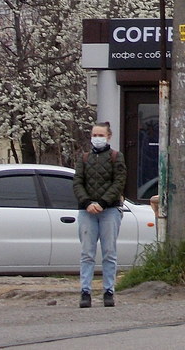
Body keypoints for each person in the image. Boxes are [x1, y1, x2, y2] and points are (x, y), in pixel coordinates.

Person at [72, 121, 127, 308]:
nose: (97, 138)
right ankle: (85, 291)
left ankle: (108, 291)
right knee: (87, 253)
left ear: (109, 136)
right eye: (94, 135)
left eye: (101, 135)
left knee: (109, 252)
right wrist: (87, 202)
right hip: (87, 211)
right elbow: (77, 182)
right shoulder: (84, 158)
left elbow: (119, 182)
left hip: (109, 210)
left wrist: (103, 203)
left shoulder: (116, 157)